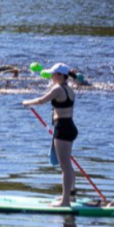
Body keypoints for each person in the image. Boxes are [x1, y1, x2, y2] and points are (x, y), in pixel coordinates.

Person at [22, 63, 78, 207]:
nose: (51, 77)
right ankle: (71, 195)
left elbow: (41, 100)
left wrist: (26, 102)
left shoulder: (58, 89)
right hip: (70, 127)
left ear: (60, 75)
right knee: (68, 164)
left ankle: (65, 201)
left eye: (53, 74)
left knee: (65, 166)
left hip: (63, 128)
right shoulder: (69, 89)